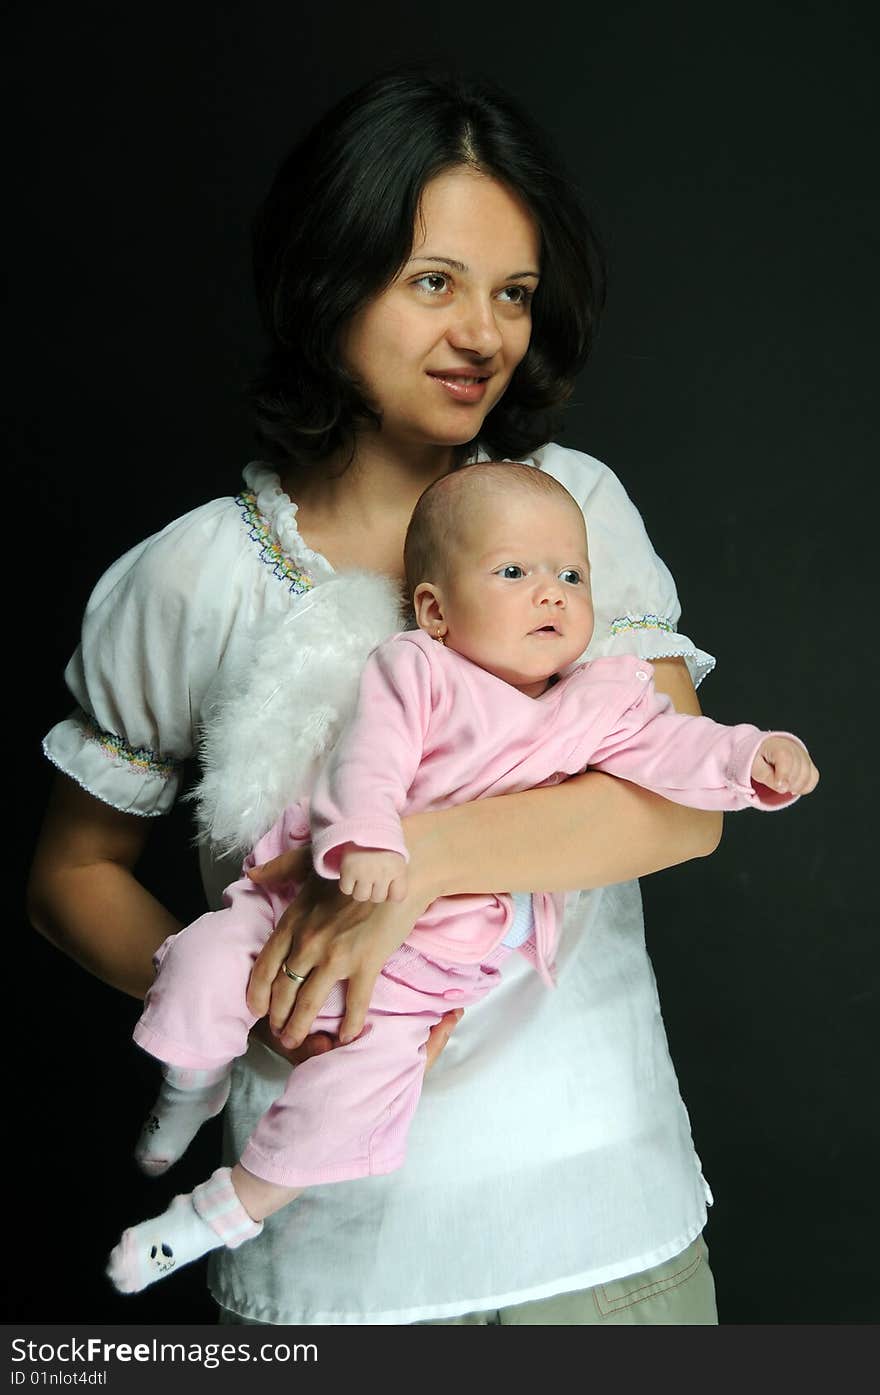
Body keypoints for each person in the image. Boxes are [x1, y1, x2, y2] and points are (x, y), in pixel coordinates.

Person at [29, 68, 752, 1325]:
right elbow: (69, 875)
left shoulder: (564, 512)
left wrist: (406, 861)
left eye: (513, 293)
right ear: (328, 274)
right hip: (325, 1267)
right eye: (433, 282)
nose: (482, 333)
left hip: (599, 1234)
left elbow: (679, 807)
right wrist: (254, 1002)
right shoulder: (192, 577)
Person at [105, 462, 818, 1296]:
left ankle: (214, 1214)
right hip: (304, 901)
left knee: (359, 1091)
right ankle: (189, 1083)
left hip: (430, 965)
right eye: (515, 573)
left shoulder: (601, 699)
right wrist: (369, 840)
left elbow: (677, 753)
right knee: (203, 960)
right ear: (436, 611)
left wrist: (751, 758)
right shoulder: (418, 669)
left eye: (571, 576)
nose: (551, 593)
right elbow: (369, 761)